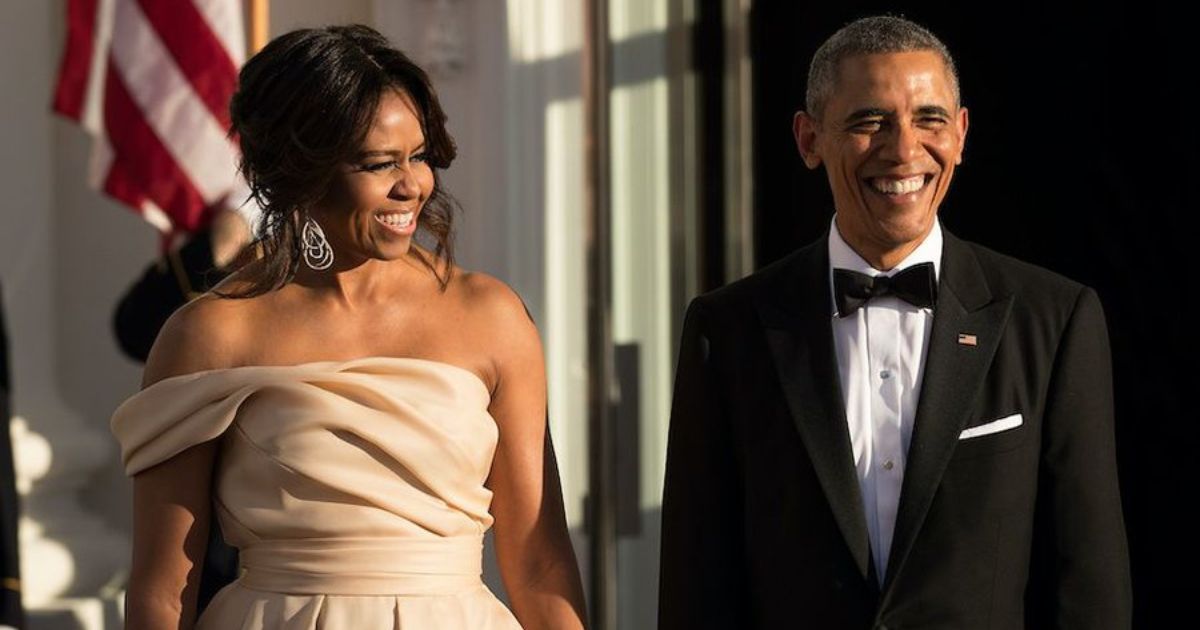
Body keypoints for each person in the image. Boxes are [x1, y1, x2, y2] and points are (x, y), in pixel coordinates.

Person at [658, 15, 1131, 629]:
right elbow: (697, 588)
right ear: (808, 140)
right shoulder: (726, 331)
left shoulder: (1053, 319)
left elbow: (1088, 586)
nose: (904, 149)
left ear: (960, 134)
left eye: (929, 118)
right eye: (868, 121)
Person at [111, 25, 587, 629]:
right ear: (300, 170)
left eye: (418, 156)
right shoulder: (209, 335)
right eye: (378, 163)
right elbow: (161, 589)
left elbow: (541, 562)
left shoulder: (491, 317)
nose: (412, 184)